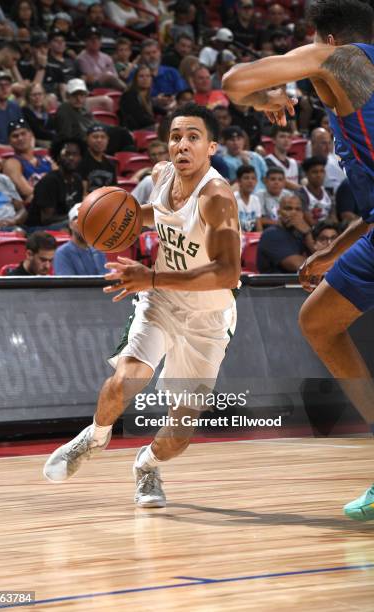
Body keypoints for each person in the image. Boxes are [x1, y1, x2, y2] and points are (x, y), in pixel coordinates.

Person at [43, 103, 241, 509]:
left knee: (180, 432)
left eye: (193, 137)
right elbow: (155, 216)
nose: (181, 145)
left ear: (211, 147)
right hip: (162, 299)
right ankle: (95, 437)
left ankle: (147, 465)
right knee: (129, 378)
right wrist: (97, 227)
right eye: (175, 137)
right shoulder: (160, 175)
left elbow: (226, 273)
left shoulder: (217, 197)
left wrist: (150, 276)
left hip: (208, 316)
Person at [222, 0, 374, 520]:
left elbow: (235, 80)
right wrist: (335, 247)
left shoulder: (344, 60)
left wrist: (264, 99)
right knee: (319, 321)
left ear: (322, 39)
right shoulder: (357, 81)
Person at [26, 138, 84, 230]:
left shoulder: (77, 180)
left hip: (65, 223)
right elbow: (46, 219)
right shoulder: (49, 181)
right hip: (38, 229)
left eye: (75, 154)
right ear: (58, 157)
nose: (71, 158)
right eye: (67, 154)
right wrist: (76, 216)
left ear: (80, 157)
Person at [257, 194, 314, 273]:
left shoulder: (300, 234)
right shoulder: (271, 234)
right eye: (288, 208)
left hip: (298, 284)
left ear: (302, 213)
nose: (294, 212)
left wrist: (307, 233)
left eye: (298, 209)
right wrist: (307, 232)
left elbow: (323, 258)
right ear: (279, 212)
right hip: (275, 284)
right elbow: (297, 265)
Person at [3, 119, 52, 202]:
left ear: (31, 135)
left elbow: (63, 181)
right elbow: (26, 191)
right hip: (31, 207)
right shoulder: (12, 163)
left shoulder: (46, 159)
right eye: (15, 136)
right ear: (9, 142)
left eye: (23, 134)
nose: (20, 138)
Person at [53, 203, 107, 275]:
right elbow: (66, 284)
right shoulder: (62, 253)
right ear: (70, 224)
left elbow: (106, 280)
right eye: (77, 218)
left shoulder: (98, 250)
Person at [77, 26, 126, 92]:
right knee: (108, 75)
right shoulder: (81, 58)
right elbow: (90, 80)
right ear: (86, 41)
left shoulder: (106, 57)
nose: (95, 41)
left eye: (98, 39)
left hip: (110, 85)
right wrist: (105, 75)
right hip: (93, 88)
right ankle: (128, 91)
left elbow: (115, 76)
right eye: (92, 39)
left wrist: (105, 76)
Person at [222, 125, 267, 190]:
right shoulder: (223, 161)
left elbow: (266, 178)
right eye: (232, 140)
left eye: (239, 139)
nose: (236, 143)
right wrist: (245, 166)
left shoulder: (255, 156)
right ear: (225, 142)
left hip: (261, 194)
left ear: (244, 140)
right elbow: (228, 185)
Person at [298, 156, 337, 225]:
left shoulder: (329, 193)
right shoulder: (301, 194)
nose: (319, 175)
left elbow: (334, 218)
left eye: (322, 171)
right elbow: (310, 222)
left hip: (330, 231)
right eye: (315, 172)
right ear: (306, 174)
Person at [119, 65, 159, 131]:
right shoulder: (129, 96)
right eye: (141, 76)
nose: (145, 79)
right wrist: (158, 123)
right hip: (135, 131)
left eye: (148, 76)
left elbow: (157, 109)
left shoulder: (147, 96)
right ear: (135, 79)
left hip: (147, 127)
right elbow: (140, 118)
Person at [79, 124, 117, 193]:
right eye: (95, 137)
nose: (99, 140)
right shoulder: (81, 162)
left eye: (103, 137)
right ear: (87, 139)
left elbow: (114, 191)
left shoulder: (111, 165)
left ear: (108, 140)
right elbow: (83, 194)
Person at [131, 140, 169, 204]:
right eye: (153, 155)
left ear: (168, 154)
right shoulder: (148, 179)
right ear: (149, 157)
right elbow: (132, 200)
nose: (157, 157)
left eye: (160, 153)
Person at [265, 125, 300, 190]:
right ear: (273, 140)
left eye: (289, 137)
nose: (286, 140)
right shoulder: (267, 161)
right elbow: (285, 183)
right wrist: (303, 189)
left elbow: (304, 180)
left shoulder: (294, 162)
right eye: (282, 136)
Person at [233, 165, 262, 232]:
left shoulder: (256, 200)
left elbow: (258, 226)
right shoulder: (232, 199)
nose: (250, 181)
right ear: (239, 182)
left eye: (253, 178)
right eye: (246, 178)